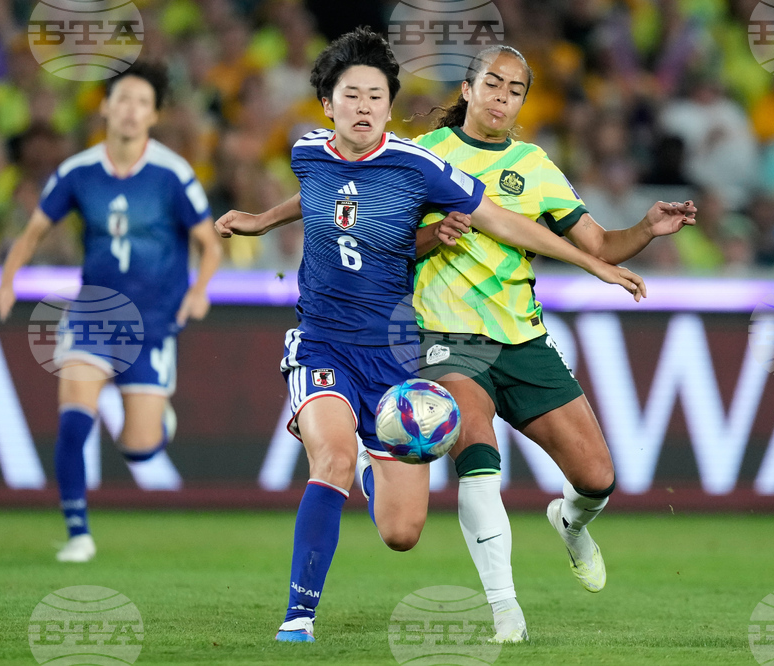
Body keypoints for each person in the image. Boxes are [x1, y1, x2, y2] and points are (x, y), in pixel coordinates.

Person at [212, 28, 647, 644]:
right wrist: (261, 220)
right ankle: (299, 617)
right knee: (332, 461)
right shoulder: (308, 151)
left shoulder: (419, 164)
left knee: (401, 532)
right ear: (328, 105)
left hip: (396, 357)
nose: (363, 106)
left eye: (375, 96)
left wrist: (593, 263)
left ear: (389, 108)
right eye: (350, 95)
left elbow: (504, 221)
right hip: (327, 343)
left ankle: (375, 464)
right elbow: (318, 194)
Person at [412, 45, 697, 642]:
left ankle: (569, 523)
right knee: (478, 461)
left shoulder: (534, 165)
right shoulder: (425, 156)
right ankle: (504, 610)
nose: (503, 97)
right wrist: (433, 237)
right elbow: (387, 244)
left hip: (523, 340)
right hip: (449, 336)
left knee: (597, 478)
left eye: (516, 90)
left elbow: (597, 244)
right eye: (493, 84)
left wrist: (645, 229)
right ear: (468, 89)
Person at [0, 62, 221, 563]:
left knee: (139, 448)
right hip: (95, 313)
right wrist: (6, 281)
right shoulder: (77, 172)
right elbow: (32, 231)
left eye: (142, 102)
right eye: (123, 100)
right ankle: (78, 533)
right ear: (106, 108)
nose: (131, 110)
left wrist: (200, 289)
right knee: (73, 418)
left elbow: (209, 242)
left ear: (154, 114)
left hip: (155, 321)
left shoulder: (172, 173)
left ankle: (158, 424)